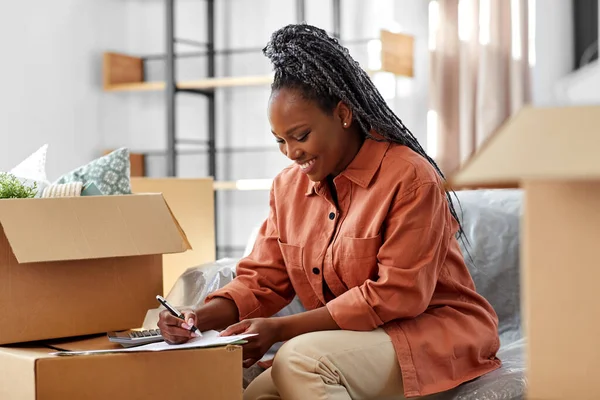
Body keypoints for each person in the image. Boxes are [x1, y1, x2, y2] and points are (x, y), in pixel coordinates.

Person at [157, 23, 501, 400]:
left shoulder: (410, 176)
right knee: (257, 394)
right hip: (353, 343)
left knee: (299, 362)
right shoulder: (287, 188)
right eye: (280, 141)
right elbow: (263, 280)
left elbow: (399, 296)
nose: (291, 152)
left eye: (301, 136)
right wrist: (193, 317)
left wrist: (283, 330)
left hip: (434, 334)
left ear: (343, 114)